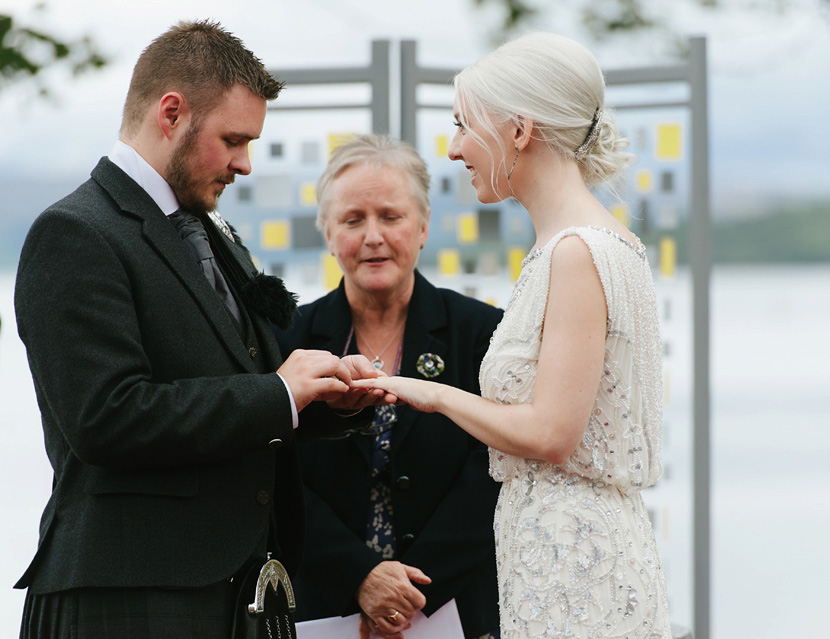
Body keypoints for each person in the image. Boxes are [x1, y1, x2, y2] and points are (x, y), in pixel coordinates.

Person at [14, 20, 385, 639]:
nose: (244, 164)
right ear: (171, 113)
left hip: (238, 595)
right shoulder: (74, 233)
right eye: (233, 139)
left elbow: (247, 386)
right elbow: (106, 418)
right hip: (128, 599)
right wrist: (279, 395)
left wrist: (329, 400)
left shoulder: (211, 232)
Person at [354, 32, 672, 638]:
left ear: (520, 132)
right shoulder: (584, 245)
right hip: (556, 551)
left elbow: (553, 434)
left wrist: (433, 394)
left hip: (574, 564)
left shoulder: (578, 252)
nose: (454, 150)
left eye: (465, 125)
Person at [274, 135, 503, 639]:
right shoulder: (286, 342)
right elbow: (274, 477)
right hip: (324, 607)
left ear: (422, 228)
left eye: (391, 217)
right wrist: (360, 577)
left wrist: (409, 592)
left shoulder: (483, 334)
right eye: (353, 220)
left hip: (456, 604)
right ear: (328, 233)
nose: (373, 236)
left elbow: (496, 468)